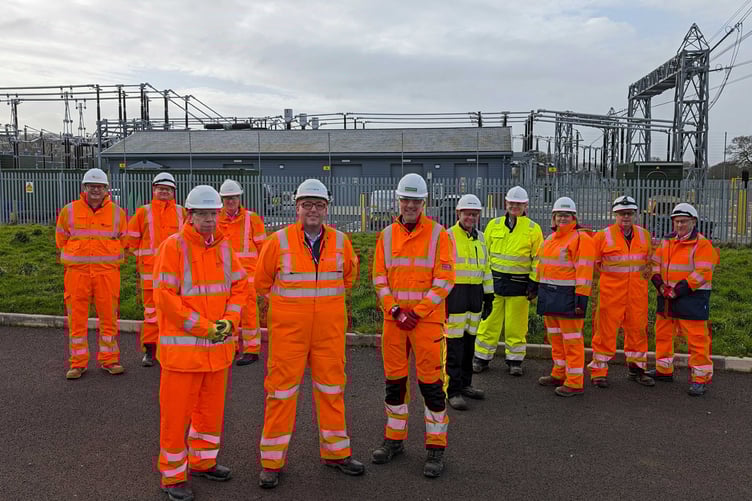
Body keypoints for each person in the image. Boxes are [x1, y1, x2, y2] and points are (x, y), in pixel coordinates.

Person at [255, 179, 363, 489]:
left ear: (327, 209)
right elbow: (261, 282)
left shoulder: (342, 241)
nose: (312, 210)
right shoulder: (277, 241)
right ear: (297, 207)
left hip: (328, 333)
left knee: (332, 391)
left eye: (318, 205)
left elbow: (349, 278)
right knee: (280, 394)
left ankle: (336, 453)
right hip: (288, 334)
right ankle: (272, 462)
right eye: (307, 205)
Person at [153, 185, 247, 501]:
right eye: (203, 214)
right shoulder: (173, 247)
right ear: (189, 215)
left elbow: (240, 288)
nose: (209, 220)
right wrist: (205, 327)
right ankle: (173, 476)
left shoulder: (224, 248)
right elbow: (165, 298)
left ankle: (204, 461)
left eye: (213, 214)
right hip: (184, 354)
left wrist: (230, 322)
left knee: (210, 413)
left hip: (216, 350)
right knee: (176, 416)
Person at [371, 173, 455, 478]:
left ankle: (436, 447)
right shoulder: (386, 236)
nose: (409, 205)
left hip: (426, 323)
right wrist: (394, 309)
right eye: (405, 199)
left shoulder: (439, 234)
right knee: (395, 383)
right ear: (398, 201)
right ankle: (394, 440)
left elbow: (445, 280)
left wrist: (416, 312)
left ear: (424, 203)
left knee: (431, 385)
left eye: (415, 200)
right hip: (394, 322)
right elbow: (379, 278)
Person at [55, 168, 127, 380]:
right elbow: (61, 240)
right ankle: (77, 363)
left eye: (100, 186)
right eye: (91, 186)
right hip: (77, 274)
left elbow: (124, 240)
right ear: (84, 188)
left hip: (107, 274)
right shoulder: (68, 211)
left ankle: (110, 359)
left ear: (106, 189)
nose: (96, 190)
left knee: (109, 318)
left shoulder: (117, 213)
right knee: (76, 319)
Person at [649, 203, 719, 397]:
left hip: (692, 297)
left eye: (684, 222)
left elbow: (703, 272)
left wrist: (677, 290)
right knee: (663, 334)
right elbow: (655, 263)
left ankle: (700, 379)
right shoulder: (667, 242)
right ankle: (664, 370)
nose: (679, 225)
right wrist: (660, 285)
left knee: (697, 340)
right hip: (667, 295)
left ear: (693, 222)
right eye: (677, 221)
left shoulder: (702, 244)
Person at [473, 186, 543, 376]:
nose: (514, 206)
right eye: (512, 203)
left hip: (519, 285)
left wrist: (533, 283)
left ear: (525, 205)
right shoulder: (493, 225)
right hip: (494, 283)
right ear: (506, 203)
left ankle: (515, 361)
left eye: (518, 204)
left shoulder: (533, 229)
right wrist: (481, 281)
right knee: (488, 322)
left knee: (516, 325)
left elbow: (538, 259)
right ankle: (481, 357)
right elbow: (484, 254)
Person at [588, 195, 654, 388]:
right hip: (611, 294)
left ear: (634, 215)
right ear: (615, 214)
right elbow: (594, 264)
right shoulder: (602, 236)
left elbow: (649, 263)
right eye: (622, 213)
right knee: (604, 332)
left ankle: (637, 369)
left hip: (637, 295)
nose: (626, 217)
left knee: (637, 331)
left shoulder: (644, 235)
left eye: (629, 213)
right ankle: (599, 372)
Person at [125, 172, 186, 367]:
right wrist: (143, 258)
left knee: (176, 311)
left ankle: (173, 349)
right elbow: (131, 239)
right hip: (150, 273)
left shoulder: (182, 212)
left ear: (173, 192)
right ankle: (150, 350)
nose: (164, 192)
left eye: (167, 189)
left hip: (177, 273)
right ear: (154, 190)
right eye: (160, 189)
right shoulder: (144, 212)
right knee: (151, 312)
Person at [535, 196, 594, 397]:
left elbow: (585, 270)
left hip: (569, 297)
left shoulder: (581, 238)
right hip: (550, 296)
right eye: (559, 215)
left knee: (571, 341)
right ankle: (559, 373)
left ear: (574, 217)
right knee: (556, 339)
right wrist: (535, 286)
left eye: (566, 215)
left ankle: (575, 381)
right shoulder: (550, 239)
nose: (562, 218)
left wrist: (581, 298)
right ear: (553, 217)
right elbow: (541, 265)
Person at [444, 194, 493, 410]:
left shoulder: (481, 238)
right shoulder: (448, 237)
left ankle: (466, 384)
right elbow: (441, 270)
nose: (470, 217)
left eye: (474, 214)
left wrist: (489, 295)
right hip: (454, 295)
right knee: (454, 345)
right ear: (458, 214)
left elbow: (487, 268)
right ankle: (452, 390)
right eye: (467, 214)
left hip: (475, 295)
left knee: (469, 343)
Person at [218, 178, 266, 366]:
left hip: (247, 276)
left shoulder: (252, 218)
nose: (231, 201)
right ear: (222, 199)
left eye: (234, 198)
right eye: (227, 198)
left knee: (248, 313)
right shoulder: (215, 218)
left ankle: (252, 350)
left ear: (240, 198)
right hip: (222, 275)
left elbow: (263, 247)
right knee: (225, 312)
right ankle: (229, 348)